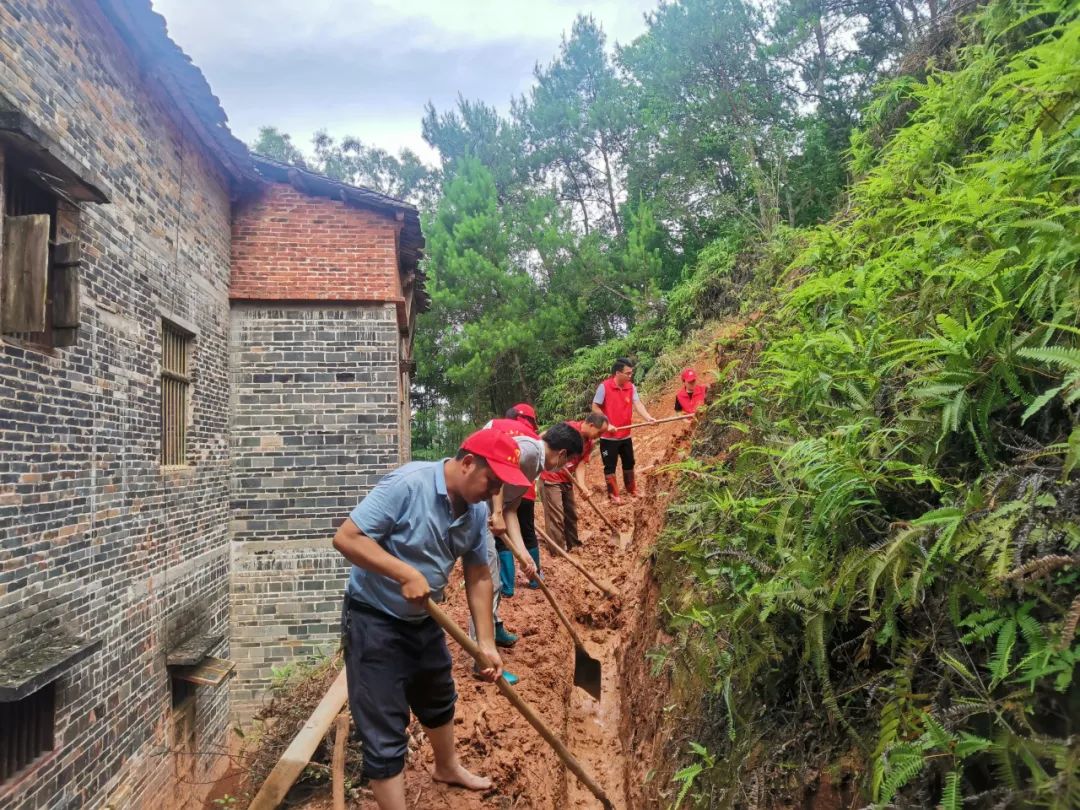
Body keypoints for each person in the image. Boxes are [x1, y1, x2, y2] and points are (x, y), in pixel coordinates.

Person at [332, 428, 527, 810]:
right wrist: (403, 573)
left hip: (423, 619)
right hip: (375, 619)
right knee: (384, 723)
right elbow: (347, 538)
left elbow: (479, 574)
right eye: (493, 480)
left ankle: (447, 766)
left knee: (438, 694)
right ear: (468, 463)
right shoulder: (407, 486)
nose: (494, 492)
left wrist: (485, 642)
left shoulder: (473, 512)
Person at [469, 421, 584, 674]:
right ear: (562, 454)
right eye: (567, 462)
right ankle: (482, 659)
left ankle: (493, 629)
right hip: (477, 511)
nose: (564, 467)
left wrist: (523, 557)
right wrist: (496, 511)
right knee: (489, 581)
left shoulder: (533, 469)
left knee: (494, 580)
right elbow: (496, 470)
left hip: (488, 515)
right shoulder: (529, 452)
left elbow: (512, 510)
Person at [540, 413, 609, 550]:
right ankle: (558, 551)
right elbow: (543, 436)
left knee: (571, 514)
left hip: (566, 479)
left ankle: (574, 546)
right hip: (550, 478)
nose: (599, 436)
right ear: (591, 425)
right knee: (556, 517)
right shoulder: (568, 428)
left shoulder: (588, 443)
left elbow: (581, 464)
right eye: (599, 432)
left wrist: (582, 486)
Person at [592, 357, 656, 503]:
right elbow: (595, 407)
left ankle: (631, 489)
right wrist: (606, 424)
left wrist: (648, 418)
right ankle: (614, 494)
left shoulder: (631, 387)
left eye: (631, 373)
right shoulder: (604, 387)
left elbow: (638, 404)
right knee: (610, 465)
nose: (630, 376)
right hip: (608, 438)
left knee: (629, 462)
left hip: (625, 435)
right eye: (627, 373)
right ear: (617, 373)